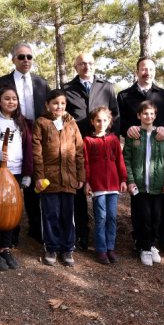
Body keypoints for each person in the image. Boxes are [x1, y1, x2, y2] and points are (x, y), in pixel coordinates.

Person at [117, 57, 164, 254]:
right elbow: (119, 122)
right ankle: (140, 238)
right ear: (137, 71)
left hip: (159, 150)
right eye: (143, 69)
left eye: (151, 69)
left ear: (155, 71)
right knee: (139, 202)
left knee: (160, 200)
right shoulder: (125, 95)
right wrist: (129, 129)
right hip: (137, 150)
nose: (147, 72)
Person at [0, 43, 49, 243]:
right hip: (12, 135)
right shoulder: (2, 82)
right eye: (21, 57)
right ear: (13, 59)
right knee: (8, 188)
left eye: (29, 57)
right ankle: (9, 233)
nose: (26, 60)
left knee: (33, 184)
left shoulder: (41, 83)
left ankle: (35, 227)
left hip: (36, 137)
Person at [63, 52, 119, 251]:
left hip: (102, 149)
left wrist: (112, 142)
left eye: (89, 63)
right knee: (80, 190)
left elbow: (116, 116)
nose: (86, 67)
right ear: (76, 67)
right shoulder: (67, 89)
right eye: (81, 64)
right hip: (76, 147)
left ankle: (104, 239)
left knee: (102, 194)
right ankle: (82, 234)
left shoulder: (107, 87)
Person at [0, 86, 33, 271]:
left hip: (16, 171)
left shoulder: (23, 122)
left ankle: (6, 247)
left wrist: (27, 173)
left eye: (14, 99)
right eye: (7, 98)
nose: (11, 102)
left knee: (11, 210)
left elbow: (28, 149)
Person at [33, 89, 85, 267]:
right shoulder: (41, 123)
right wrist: (39, 176)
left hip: (69, 177)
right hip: (50, 178)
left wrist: (80, 175)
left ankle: (67, 247)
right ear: (47, 105)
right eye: (55, 103)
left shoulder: (71, 123)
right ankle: (52, 246)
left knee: (67, 214)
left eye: (62, 103)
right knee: (50, 214)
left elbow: (79, 151)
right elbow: (37, 152)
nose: (59, 106)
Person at [122, 101, 164, 267]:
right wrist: (130, 180)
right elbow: (126, 160)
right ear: (139, 115)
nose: (148, 116)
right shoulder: (134, 135)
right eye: (145, 113)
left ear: (155, 116)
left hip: (157, 186)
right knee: (142, 216)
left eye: (152, 114)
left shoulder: (162, 136)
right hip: (139, 186)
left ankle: (152, 245)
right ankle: (143, 247)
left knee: (156, 217)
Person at [83, 106, 127, 265]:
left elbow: (119, 160)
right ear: (92, 122)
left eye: (104, 120)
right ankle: (100, 249)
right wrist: (87, 182)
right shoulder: (88, 140)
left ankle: (110, 248)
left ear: (110, 122)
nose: (101, 123)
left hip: (113, 185)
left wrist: (123, 179)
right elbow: (86, 163)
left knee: (112, 217)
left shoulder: (114, 139)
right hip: (98, 185)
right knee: (100, 217)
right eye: (98, 120)